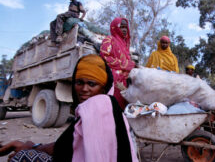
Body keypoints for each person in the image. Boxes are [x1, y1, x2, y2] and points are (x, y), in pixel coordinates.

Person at [0, 54, 138, 162]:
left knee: (22, 157)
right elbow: (67, 144)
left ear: (103, 87)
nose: (84, 89)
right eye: (79, 82)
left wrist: (30, 148)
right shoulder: (110, 106)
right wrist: (34, 146)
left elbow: (62, 150)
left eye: (91, 84)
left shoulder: (96, 107)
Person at [100, 18, 135, 110]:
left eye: (125, 27)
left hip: (126, 80)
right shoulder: (109, 40)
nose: (124, 29)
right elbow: (105, 57)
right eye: (121, 27)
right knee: (114, 106)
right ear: (115, 27)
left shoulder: (126, 45)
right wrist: (127, 65)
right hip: (115, 79)